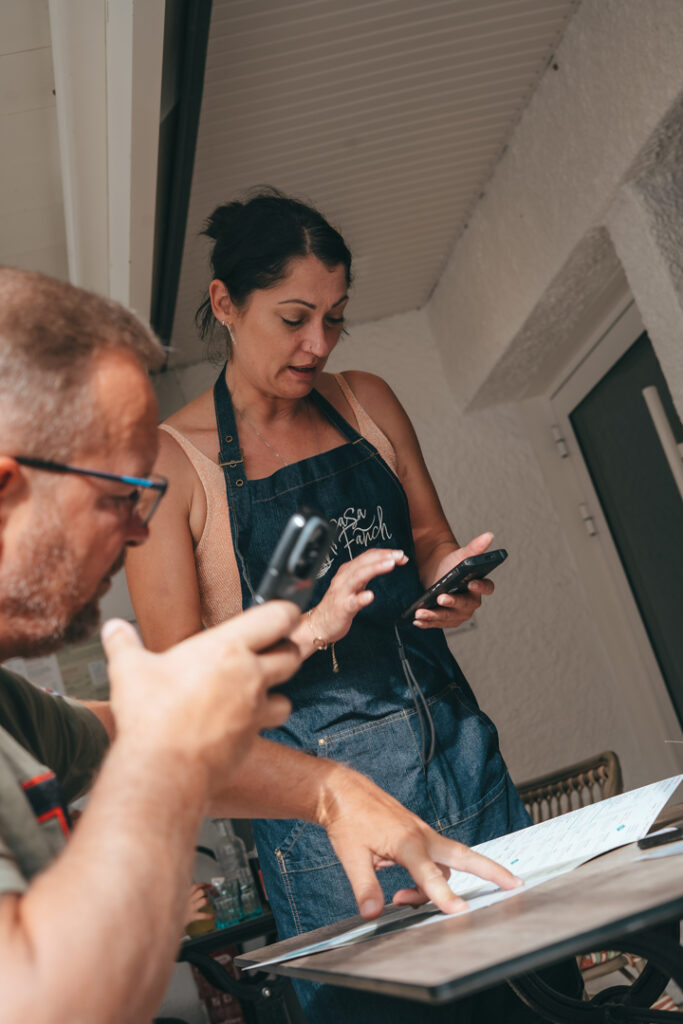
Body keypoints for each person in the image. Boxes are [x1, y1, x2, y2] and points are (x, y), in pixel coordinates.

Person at [0, 266, 522, 1023]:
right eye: (120, 495)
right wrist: (170, 754)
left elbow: (127, 740)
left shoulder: (13, 713)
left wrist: (330, 793)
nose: (141, 531)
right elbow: (44, 1002)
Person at [124, 191, 576, 1022]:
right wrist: (310, 628)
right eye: (293, 318)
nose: (318, 344)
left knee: (541, 1004)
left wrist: (452, 577)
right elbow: (180, 697)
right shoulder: (170, 465)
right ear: (225, 303)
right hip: (327, 823)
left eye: (334, 318)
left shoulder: (365, 401)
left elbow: (429, 535)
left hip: (462, 761)